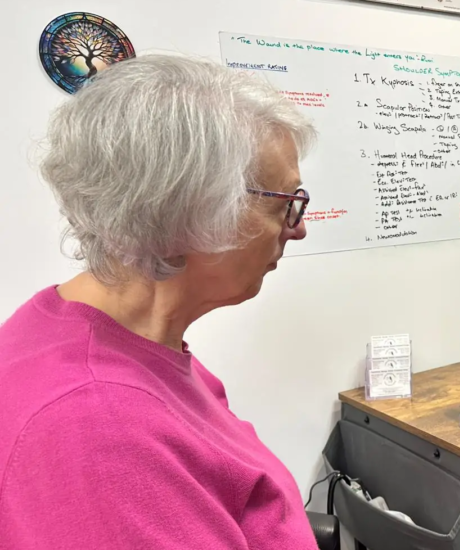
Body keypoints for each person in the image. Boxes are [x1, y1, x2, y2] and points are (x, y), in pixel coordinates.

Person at [0, 55, 322, 548]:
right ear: (181, 217)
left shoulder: (97, 333)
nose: (297, 228)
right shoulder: (96, 427)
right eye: (283, 206)